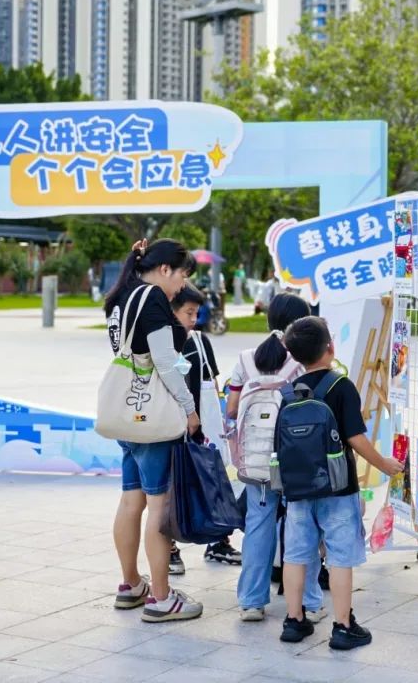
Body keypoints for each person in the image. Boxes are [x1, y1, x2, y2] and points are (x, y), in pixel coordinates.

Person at [278, 315, 403, 650]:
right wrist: (384, 464)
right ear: (330, 347)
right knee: (339, 557)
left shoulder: (289, 393)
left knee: (296, 554)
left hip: (298, 489)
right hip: (337, 487)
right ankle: (343, 626)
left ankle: (294, 621)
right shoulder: (341, 386)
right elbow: (356, 438)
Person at [104, 238, 203, 623]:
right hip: (153, 419)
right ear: (164, 269)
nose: (181, 285)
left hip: (126, 414)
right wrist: (190, 408)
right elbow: (164, 361)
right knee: (159, 507)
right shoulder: (153, 298)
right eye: (181, 275)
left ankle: (131, 584)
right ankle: (161, 597)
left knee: (132, 501)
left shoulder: (120, 296)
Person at [226, 293, 325, 622]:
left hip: (255, 461)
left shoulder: (245, 359)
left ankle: (251, 602)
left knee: (258, 524)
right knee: (302, 525)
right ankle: (310, 602)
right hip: (294, 460)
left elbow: (231, 410)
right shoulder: (303, 361)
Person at [170, 284, 241, 568]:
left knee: (214, 482)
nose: (193, 319)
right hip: (173, 428)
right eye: (188, 312)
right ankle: (169, 548)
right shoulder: (161, 345)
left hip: (204, 430)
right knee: (173, 489)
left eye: (196, 313)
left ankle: (218, 541)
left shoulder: (200, 341)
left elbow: (212, 384)